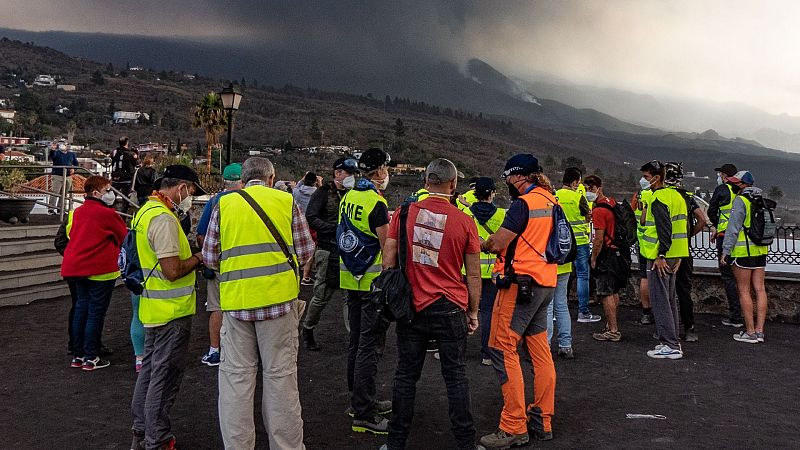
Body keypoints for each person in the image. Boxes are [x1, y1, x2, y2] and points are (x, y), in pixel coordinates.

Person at [202, 157, 312, 450]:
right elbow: (304, 250)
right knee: (280, 380)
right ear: (271, 176)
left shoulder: (223, 205)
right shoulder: (286, 202)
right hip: (279, 304)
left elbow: (210, 257)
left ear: (243, 179)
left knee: (236, 381)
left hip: (237, 305)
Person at [379, 158, 482, 450]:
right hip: (450, 307)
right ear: (453, 185)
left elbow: (388, 260)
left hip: (411, 307)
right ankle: (465, 443)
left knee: (405, 375)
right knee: (456, 376)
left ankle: (395, 442)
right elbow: (473, 273)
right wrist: (473, 312)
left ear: (426, 182)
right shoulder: (464, 220)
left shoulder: (403, 212)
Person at [479, 154, 557, 448]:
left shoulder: (523, 204)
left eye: (508, 178)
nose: (507, 183)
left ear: (520, 177)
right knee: (539, 351)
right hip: (545, 283)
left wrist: (485, 244)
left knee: (501, 348)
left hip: (520, 286)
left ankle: (513, 425)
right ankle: (542, 419)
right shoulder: (552, 200)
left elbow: (499, 242)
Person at [130, 165, 206, 450]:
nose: (191, 198)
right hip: (172, 311)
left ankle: (141, 430)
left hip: (154, 307)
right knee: (163, 378)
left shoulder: (145, 212)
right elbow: (172, 270)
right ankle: (157, 438)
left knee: (149, 373)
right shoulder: (163, 218)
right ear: (182, 187)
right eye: (192, 192)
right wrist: (198, 259)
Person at [339, 148, 393, 434]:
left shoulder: (348, 197)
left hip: (351, 279)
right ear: (380, 172)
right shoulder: (376, 203)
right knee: (369, 348)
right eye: (386, 168)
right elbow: (387, 247)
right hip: (372, 284)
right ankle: (364, 412)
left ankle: (358, 399)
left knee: (356, 343)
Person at [60, 176, 127, 370]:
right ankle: (91, 356)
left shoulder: (75, 213)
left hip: (75, 268)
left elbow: (70, 236)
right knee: (95, 312)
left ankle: (78, 355)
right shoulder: (108, 214)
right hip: (100, 269)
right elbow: (124, 238)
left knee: (81, 309)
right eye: (107, 190)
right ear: (96, 193)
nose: (111, 193)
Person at [302, 157, 359, 350]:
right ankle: (308, 328)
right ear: (337, 173)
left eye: (353, 174)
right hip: (328, 249)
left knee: (348, 297)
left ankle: (353, 337)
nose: (351, 177)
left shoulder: (354, 194)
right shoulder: (323, 192)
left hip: (348, 251)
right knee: (321, 295)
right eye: (347, 173)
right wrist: (332, 229)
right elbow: (311, 217)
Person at [639, 160, 689, 360]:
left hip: (660, 257)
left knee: (660, 300)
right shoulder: (677, 196)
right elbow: (682, 227)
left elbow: (664, 230)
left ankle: (669, 344)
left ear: (657, 178)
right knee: (669, 299)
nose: (644, 181)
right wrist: (678, 255)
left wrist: (661, 254)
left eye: (647, 177)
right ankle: (672, 340)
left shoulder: (658, 198)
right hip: (674, 256)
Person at [195, 163, 243, 367]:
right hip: (243, 262)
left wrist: (209, 258)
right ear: (242, 181)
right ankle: (241, 350)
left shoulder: (214, 201)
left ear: (224, 181)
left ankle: (215, 350)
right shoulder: (248, 202)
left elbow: (201, 235)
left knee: (217, 307)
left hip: (219, 264)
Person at [720, 171, 769, 344]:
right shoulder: (761, 200)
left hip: (743, 252)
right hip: (761, 251)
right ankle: (760, 331)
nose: (733, 184)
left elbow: (733, 228)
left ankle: (749, 332)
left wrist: (725, 251)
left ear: (742, 185)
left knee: (743, 290)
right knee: (760, 289)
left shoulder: (741, 201)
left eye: (736, 182)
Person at [463, 177, 506, 366]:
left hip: (468, 269)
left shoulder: (464, 214)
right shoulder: (502, 215)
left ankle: (457, 349)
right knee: (488, 312)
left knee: (463, 309)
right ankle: (487, 353)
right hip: (492, 271)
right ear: (493, 193)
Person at [665, 163, 707, 343]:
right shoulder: (687, 197)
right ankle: (689, 328)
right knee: (683, 290)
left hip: (665, 250)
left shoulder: (661, 195)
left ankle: (667, 328)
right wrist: (688, 235)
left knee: (665, 291)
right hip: (684, 249)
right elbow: (702, 219)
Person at [585, 175, 629, 342]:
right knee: (614, 291)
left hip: (607, 255)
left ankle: (612, 329)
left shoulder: (598, 211)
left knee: (605, 293)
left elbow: (599, 238)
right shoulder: (611, 203)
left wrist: (594, 258)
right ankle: (612, 324)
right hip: (618, 254)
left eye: (591, 189)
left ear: (599, 188)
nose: (589, 192)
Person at [556, 167, 598, 323]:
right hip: (580, 242)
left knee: (560, 277)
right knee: (582, 276)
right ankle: (583, 312)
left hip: (561, 244)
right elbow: (588, 217)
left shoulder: (555, 197)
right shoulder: (578, 198)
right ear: (575, 181)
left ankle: (557, 310)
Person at [708, 163, 744, 328]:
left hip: (724, 237)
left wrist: (715, 226)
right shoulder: (742, 190)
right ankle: (746, 316)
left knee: (728, 277)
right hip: (744, 241)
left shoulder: (722, 190)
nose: (720, 177)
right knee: (743, 280)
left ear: (725, 176)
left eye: (721, 174)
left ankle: (736, 316)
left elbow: (711, 211)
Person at [632, 185, 655, 324]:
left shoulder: (639, 194)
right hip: (655, 243)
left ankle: (646, 312)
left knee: (644, 277)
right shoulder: (656, 194)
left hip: (641, 241)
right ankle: (658, 312)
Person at [295, 172, 320, 285]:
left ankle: (296, 272)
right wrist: (320, 183)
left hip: (298, 222)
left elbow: (297, 186)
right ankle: (305, 276)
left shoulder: (296, 192)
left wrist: (303, 178)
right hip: (312, 224)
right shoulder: (316, 193)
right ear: (315, 181)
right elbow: (324, 193)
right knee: (311, 249)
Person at [48, 142, 78, 214]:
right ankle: (51, 209)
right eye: (62, 144)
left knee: (64, 193)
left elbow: (76, 163)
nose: (63, 145)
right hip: (57, 175)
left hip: (68, 176)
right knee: (55, 192)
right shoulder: (57, 153)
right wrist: (52, 149)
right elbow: (52, 156)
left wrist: (74, 169)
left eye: (65, 144)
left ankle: (61, 209)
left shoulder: (71, 154)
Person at [111, 136, 139, 212]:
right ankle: (123, 218)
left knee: (111, 199)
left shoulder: (114, 152)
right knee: (126, 200)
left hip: (115, 178)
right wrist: (136, 154)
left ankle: (110, 213)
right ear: (127, 143)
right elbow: (136, 163)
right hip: (126, 179)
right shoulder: (130, 154)